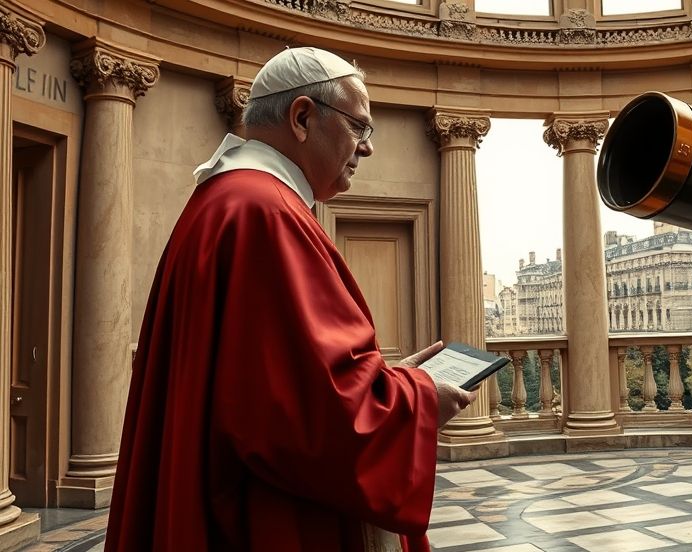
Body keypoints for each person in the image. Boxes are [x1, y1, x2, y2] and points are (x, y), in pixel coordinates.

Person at [104, 47, 478, 552]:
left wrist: (387, 381)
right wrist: (416, 399)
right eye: (359, 127)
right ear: (302, 117)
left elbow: (281, 380)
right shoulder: (267, 213)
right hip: (267, 522)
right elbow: (311, 417)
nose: (366, 149)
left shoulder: (226, 201)